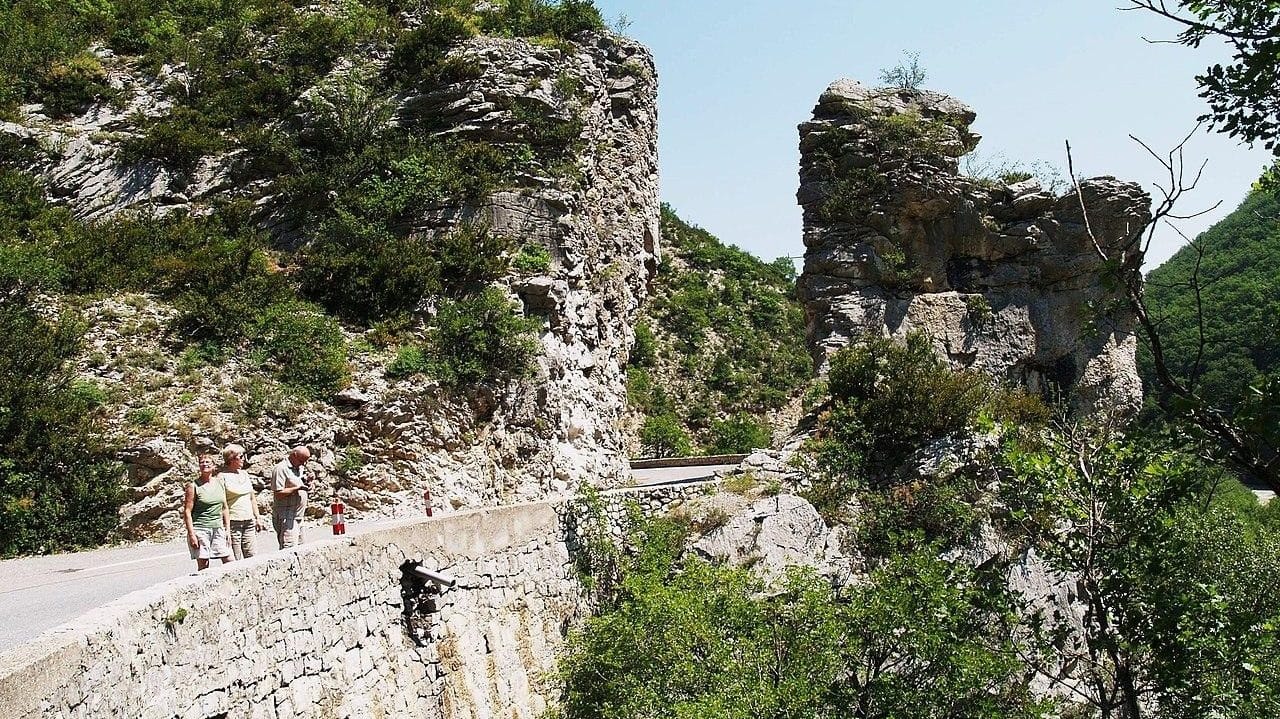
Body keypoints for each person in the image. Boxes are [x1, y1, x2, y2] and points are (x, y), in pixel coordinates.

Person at [183, 454, 231, 571]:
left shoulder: (220, 483)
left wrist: (227, 529)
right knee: (204, 565)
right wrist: (192, 534)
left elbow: (224, 508)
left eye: (208, 462)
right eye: (202, 462)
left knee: (229, 561)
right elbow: (187, 511)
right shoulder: (193, 486)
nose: (205, 464)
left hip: (217, 527)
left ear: (213, 466)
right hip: (201, 529)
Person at [219, 443, 264, 560]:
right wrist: (226, 527)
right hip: (233, 521)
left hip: (248, 520)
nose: (244, 459)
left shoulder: (245, 474)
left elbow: (252, 498)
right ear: (231, 459)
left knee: (252, 556)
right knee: (236, 558)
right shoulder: (222, 477)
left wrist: (257, 517)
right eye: (241, 456)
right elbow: (221, 504)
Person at [271, 445, 310, 549]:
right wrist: (296, 489)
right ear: (294, 455)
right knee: (288, 549)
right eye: (302, 460)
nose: (303, 464)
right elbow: (278, 494)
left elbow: (300, 482)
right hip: (287, 516)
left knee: (301, 549)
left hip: (298, 516)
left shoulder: (299, 468)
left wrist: (309, 483)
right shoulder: (280, 469)